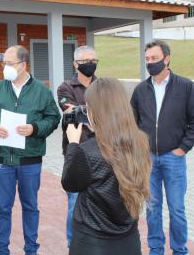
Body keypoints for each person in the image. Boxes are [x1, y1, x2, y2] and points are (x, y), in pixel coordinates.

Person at [0, 45, 61, 255]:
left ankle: (31, 249)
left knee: (31, 208)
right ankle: (1, 250)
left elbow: (53, 118)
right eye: (3, 63)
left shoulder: (42, 91)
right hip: (2, 160)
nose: (4, 67)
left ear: (23, 65)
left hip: (30, 161)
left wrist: (35, 128)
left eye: (8, 63)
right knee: (2, 209)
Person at [62, 77, 152, 255]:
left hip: (92, 242)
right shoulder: (140, 142)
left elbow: (70, 183)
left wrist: (73, 143)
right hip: (129, 241)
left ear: (96, 112)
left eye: (88, 108)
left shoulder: (86, 152)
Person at [131, 40, 194, 255]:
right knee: (153, 210)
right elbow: (133, 122)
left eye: (154, 58)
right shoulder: (140, 90)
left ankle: (179, 250)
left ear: (167, 58)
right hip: (149, 160)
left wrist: (182, 148)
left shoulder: (185, 86)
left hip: (174, 158)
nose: (150, 63)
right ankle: (156, 249)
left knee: (177, 210)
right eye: (147, 59)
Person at [57, 45, 98, 248]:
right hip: (77, 152)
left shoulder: (102, 85)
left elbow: (109, 111)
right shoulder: (66, 87)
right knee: (74, 204)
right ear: (75, 64)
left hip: (101, 152)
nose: (91, 64)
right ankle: (73, 246)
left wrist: (83, 112)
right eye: (85, 61)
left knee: (98, 202)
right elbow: (70, 113)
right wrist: (94, 112)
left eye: (94, 60)